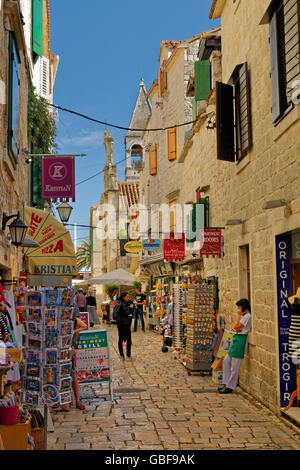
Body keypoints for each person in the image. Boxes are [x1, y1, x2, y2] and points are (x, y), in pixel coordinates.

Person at [218, 298, 251, 394]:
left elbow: (236, 326)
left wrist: (238, 316)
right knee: (226, 361)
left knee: (235, 366)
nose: (238, 309)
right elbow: (235, 327)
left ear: (244, 307)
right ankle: (226, 382)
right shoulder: (243, 316)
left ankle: (230, 387)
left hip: (241, 340)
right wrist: (237, 324)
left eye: (239, 307)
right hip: (236, 338)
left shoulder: (247, 316)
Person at [61, 302, 87, 410]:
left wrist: (72, 333)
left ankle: (76, 401)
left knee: (72, 374)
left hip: (68, 348)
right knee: (67, 375)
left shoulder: (72, 318)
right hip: (63, 348)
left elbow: (84, 326)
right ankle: (66, 402)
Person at [113, 292, 134, 360]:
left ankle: (121, 355)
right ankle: (128, 355)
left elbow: (121, 312)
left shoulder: (118, 303)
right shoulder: (123, 304)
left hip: (119, 323)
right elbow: (126, 312)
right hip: (125, 324)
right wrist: (130, 308)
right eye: (127, 296)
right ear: (123, 297)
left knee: (120, 339)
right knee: (128, 339)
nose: (128, 298)